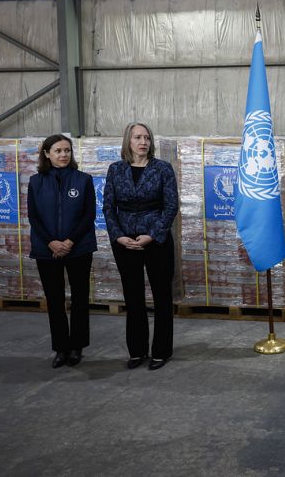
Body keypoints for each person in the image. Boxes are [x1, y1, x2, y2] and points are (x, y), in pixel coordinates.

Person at [103, 122, 178, 371]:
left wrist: (153, 235)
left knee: (162, 297)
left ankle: (161, 351)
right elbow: (108, 207)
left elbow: (170, 207)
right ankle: (137, 351)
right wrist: (118, 236)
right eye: (137, 137)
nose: (143, 142)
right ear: (128, 141)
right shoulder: (115, 170)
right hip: (124, 241)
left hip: (156, 241)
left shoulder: (163, 169)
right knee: (133, 298)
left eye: (146, 137)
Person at [28, 134, 97, 368]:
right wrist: (51, 243)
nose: (63, 155)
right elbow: (34, 217)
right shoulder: (36, 182)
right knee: (55, 300)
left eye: (67, 150)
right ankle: (61, 348)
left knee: (79, 299)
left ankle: (77, 347)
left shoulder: (83, 180)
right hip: (46, 250)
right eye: (58, 151)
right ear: (47, 154)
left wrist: (69, 241)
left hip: (79, 248)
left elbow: (89, 215)